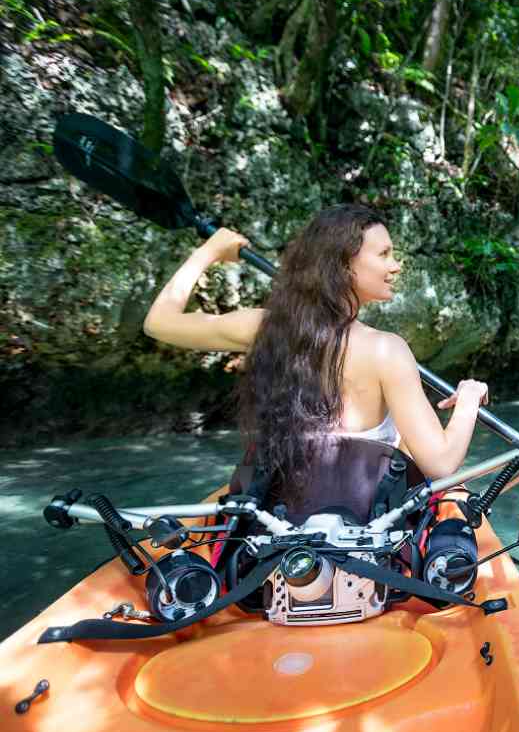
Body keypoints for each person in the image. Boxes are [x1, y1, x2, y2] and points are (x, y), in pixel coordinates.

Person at [143, 205, 490, 518]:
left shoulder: (263, 328)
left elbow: (158, 323)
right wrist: (469, 398)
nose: (395, 265)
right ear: (343, 264)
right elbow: (441, 463)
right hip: (361, 526)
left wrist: (209, 252)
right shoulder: (386, 350)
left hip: (273, 519)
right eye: (384, 254)